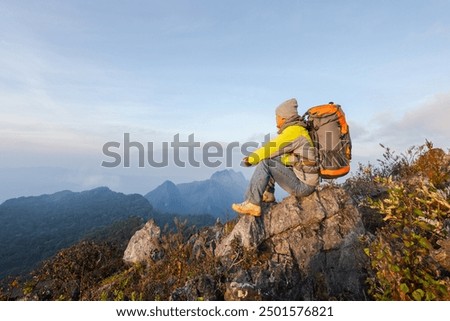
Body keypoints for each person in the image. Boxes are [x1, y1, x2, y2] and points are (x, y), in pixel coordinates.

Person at [232, 98, 319, 217]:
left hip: (304, 186)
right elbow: (287, 158)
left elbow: (271, 148)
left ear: (284, 117)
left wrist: (251, 159)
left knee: (266, 162)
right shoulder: (298, 129)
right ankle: (268, 194)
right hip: (306, 180)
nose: (275, 119)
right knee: (273, 159)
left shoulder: (293, 131)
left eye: (277, 116)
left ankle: (252, 203)